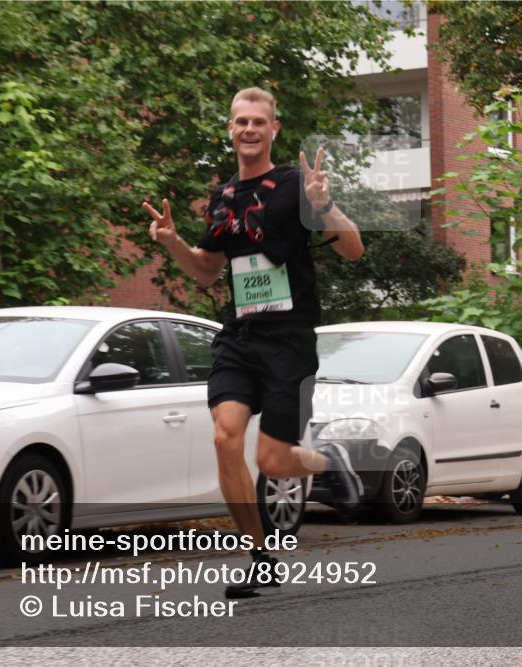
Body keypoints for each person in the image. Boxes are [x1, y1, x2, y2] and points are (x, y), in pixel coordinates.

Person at [143, 87, 364, 599]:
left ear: (273, 129)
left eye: (258, 122)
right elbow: (205, 271)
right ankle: (261, 557)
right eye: (240, 121)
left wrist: (325, 205)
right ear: (230, 129)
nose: (249, 129)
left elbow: (353, 249)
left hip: (289, 339)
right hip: (240, 336)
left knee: (273, 462)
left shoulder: (296, 185)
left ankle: (330, 463)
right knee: (225, 438)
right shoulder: (222, 198)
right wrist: (174, 242)